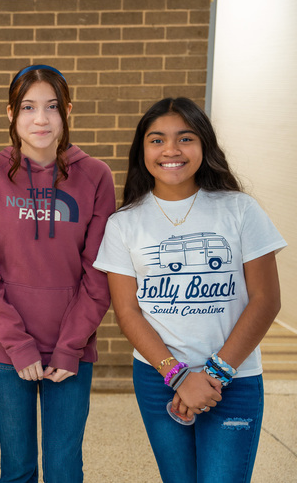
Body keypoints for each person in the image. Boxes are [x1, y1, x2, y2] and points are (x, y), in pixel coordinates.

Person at [93, 97, 285, 483]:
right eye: (157, 139)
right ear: (142, 149)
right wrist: (179, 377)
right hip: (159, 378)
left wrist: (214, 374)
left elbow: (266, 300)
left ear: (204, 146)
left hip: (234, 378)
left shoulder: (239, 209)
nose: (171, 150)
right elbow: (128, 312)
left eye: (185, 138)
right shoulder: (124, 223)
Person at [0, 65, 115, 482]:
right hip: (4, 348)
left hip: (71, 349)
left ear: (67, 112)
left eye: (51, 107)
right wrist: (18, 344)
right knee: (18, 468)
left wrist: (69, 347)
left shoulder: (96, 175)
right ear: (11, 113)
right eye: (28, 107)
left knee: (65, 469)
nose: (41, 119)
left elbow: (99, 273)